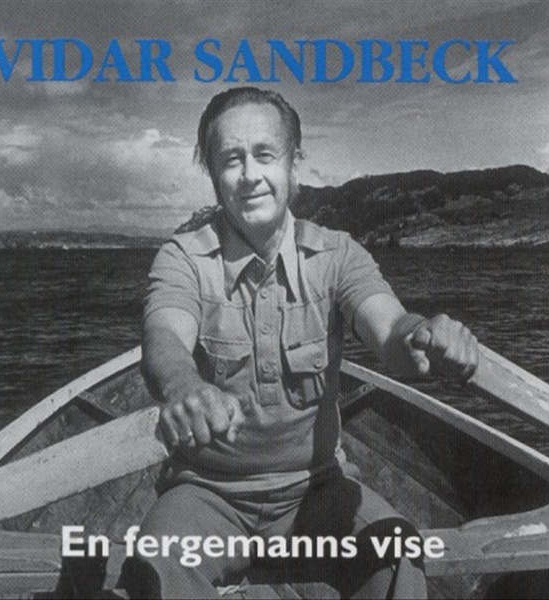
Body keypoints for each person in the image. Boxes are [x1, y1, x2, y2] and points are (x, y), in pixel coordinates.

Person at [121, 87, 478, 599]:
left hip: (317, 490)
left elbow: (392, 331)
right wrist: (182, 386)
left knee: (398, 555)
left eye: (265, 155)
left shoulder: (338, 255)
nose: (250, 174)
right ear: (212, 172)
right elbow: (163, 337)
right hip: (208, 493)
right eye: (231, 159)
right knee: (155, 565)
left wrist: (423, 335)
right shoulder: (182, 258)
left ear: (293, 163)